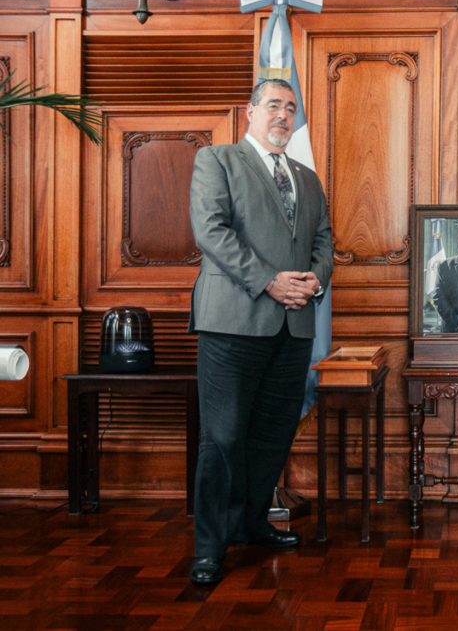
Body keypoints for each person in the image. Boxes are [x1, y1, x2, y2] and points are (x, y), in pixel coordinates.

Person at [187, 79, 334, 584]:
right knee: (223, 438)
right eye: (273, 105)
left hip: (293, 326)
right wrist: (269, 281)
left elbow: (323, 240)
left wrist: (316, 278)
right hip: (232, 323)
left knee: (271, 436)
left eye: (291, 108)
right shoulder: (218, 160)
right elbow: (211, 232)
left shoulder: (307, 178)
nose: (283, 115)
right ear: (250, 112)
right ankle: (209, 547)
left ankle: (251, 525)